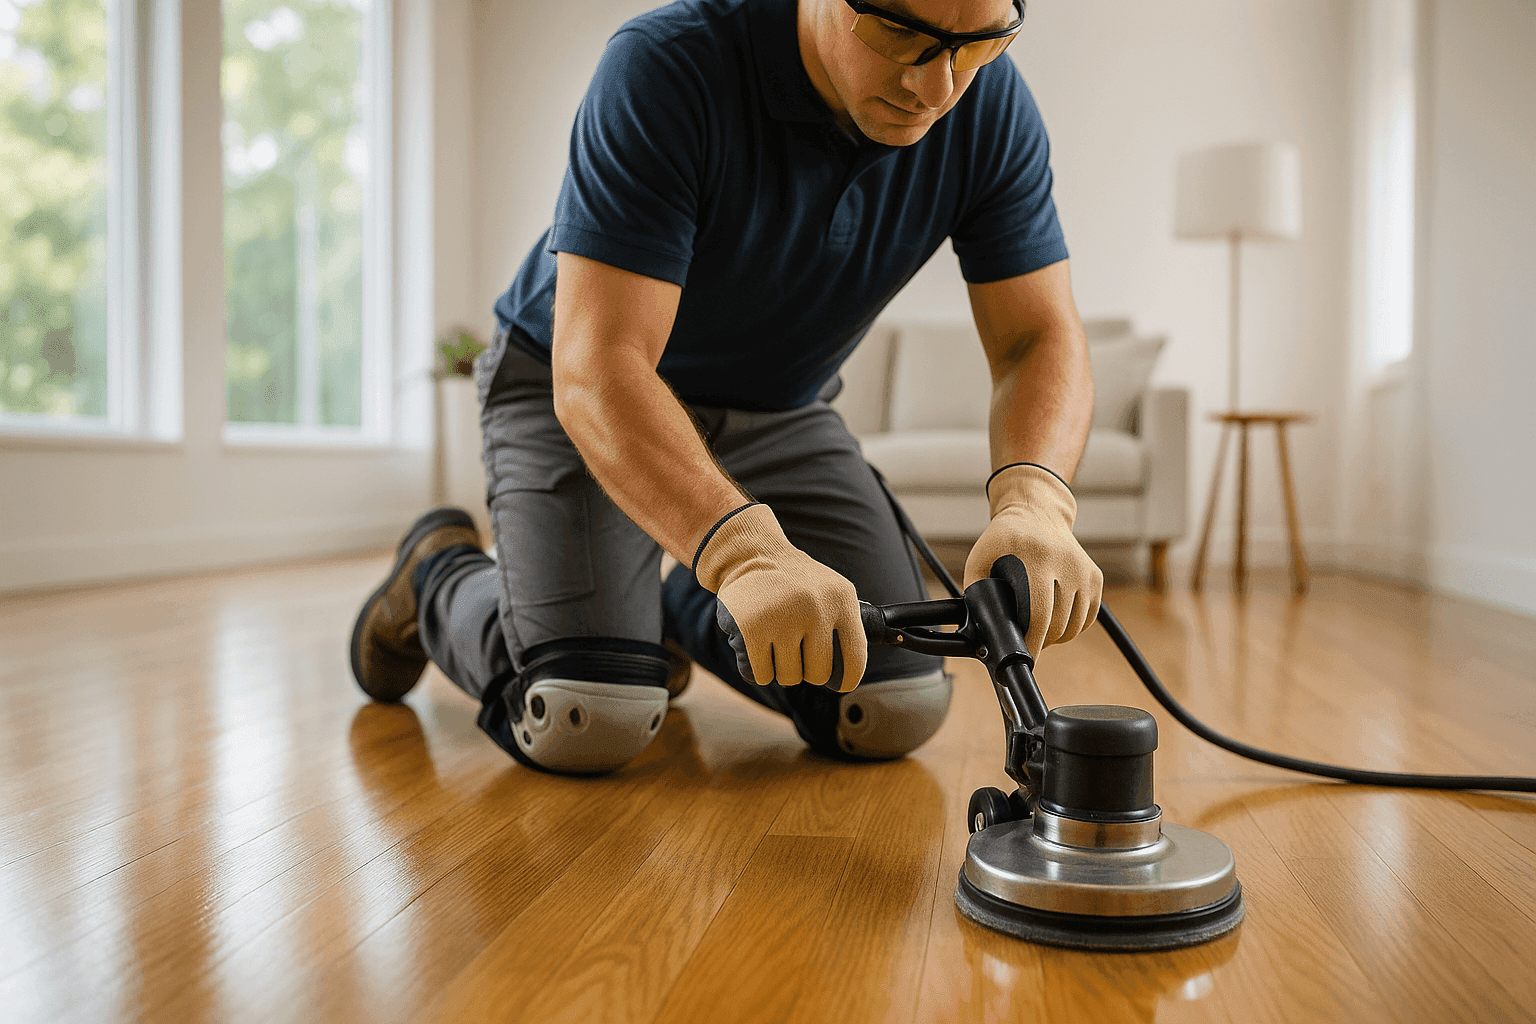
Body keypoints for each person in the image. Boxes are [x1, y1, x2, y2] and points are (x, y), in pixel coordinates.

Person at [349, 0, 1103, 775]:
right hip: (576, 388)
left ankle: (657, 610)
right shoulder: (667, 66)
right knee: (582, 714)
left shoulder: (991, 105)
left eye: (978, 45)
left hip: (781, 410)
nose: (938, 87)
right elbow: (600, 367)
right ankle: (437, 573)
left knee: (888, 707)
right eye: (901, 33)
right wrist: (744, 555)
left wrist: (1038, 503)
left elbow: (1035, 336)